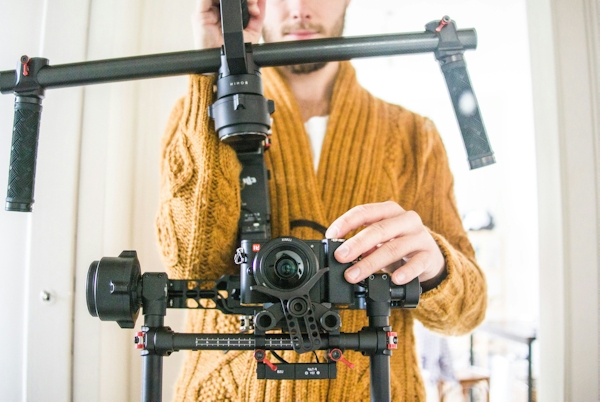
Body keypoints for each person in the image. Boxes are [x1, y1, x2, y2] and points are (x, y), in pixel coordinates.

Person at [155, 0, 487, 400]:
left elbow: (467, 312)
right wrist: (213, 72)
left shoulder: (415, 136)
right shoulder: (200, 117)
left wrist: (435, 268)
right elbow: (192, 265)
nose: (298, 8)